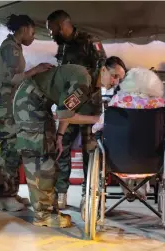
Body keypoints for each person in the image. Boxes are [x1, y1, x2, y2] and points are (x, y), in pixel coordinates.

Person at [13, 59, 126, 227]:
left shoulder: (91, 86)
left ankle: (48, 210)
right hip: (29, 103)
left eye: (119, 79)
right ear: (103, 70)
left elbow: (67, 110)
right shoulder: (83, 81)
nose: (115, 82)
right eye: (114, 76)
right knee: (40, 157)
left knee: (49, 155)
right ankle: (42, 214)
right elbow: (65, 114)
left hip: (39, 103)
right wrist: (100, 119)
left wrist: (59, 135)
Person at [46, 10, 115, 209]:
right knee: (62, 147)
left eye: (52, 30)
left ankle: (89, 194)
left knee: (90, 151)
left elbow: (103, 71)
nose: (51, 34)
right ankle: (61, 193)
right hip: (68, 104)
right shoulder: (63, 47)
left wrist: (80, 85)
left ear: (61, 26)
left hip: (88, 106)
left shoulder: (90, 41)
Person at [0, 14, 53, 211]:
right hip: (4, 101)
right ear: (24, 29)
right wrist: (36, 70)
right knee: (10, 147)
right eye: (32, 33)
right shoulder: (10, 47)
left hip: (8, 102)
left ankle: (11, 193)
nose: (33, 37)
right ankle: (4, 196)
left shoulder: (14, 47)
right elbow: (12, 79)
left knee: (14, 146)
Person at [92, 67, 165, 201]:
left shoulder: (118, 101)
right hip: (150, 161)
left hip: (118, 161)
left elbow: (99, 126)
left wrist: (95, 130)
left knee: (113, 145)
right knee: (150, 146)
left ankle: (128, 189)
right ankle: (140, 189)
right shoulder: (160, 104)